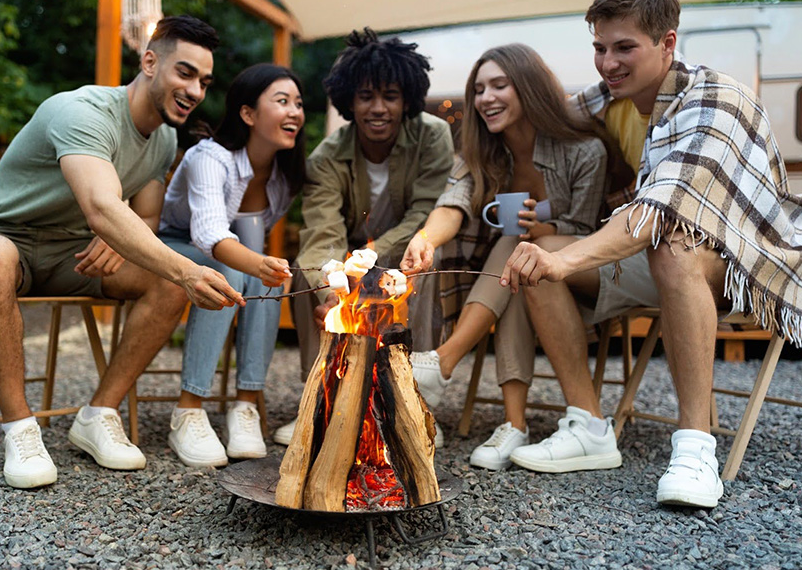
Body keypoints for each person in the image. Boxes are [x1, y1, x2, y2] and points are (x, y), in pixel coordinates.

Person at [501, 0, 802, 509]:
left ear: (668, 43)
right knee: (539, 250)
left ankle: (695, 449)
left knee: (669, 244)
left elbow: (659, 210)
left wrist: (567, 259)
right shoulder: (608, 98)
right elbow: (547, 120)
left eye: (624, 48)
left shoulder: (716, 98)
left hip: (745, 259)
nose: (608, 63)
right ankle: (589, 427)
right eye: (599, 48)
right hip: (653, 250)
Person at [0, 16, 245, 489]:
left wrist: (125, 240)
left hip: (71, 255)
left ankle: (99, 413)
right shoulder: (82, 111)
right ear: (149, 62)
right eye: (185, 73)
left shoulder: (163, 138)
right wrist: (182, 268)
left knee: (166, 282)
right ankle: (20, 430)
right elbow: (101, 207)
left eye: (204, 81)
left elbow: (145, 217)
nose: (195, 90)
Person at [400, 44, 608, 471]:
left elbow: (586, 233)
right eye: (478, 90)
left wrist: (545, 232)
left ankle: (445, 360)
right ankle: (514, 425)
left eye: (499, 85)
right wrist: (425, 238)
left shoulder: (585, 151)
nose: (485, 98)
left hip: (582, 276)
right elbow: (453, 201)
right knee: (520, 263)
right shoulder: (484, 152)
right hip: (523, 279)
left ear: (529, 87)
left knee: (519, 246)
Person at [273, 28, 454, 447]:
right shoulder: (326, 157)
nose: (378, 108)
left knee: (431, 255)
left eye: (390, 96)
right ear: (349, 101)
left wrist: (368, 269)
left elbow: (424, 214)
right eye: (366, 96)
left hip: (403, 251)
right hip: (347, 258)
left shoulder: (432, 136)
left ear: (407, 99)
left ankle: (414, 404)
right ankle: (322, 400)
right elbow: (322, 232)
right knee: (304, 269)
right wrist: (333, 291)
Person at [157, 63, 305, 467]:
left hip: (230, 250)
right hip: (173, 245)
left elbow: (251, 239)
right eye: (282, 101)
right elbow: (209, 233)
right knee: (228, 272)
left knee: (272, 278)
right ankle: (188, 409)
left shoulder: (284, 175)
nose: (294, 112)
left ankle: (245, 405)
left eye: (298, 103)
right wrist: (257, 263)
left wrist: (267, 269)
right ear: (248, 113)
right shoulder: (210, 157)